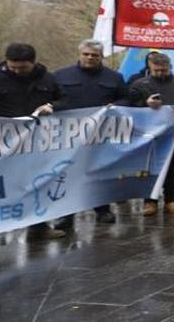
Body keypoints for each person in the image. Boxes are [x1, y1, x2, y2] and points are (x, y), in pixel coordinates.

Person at [0, 43, 67, 249]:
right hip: (0, 144)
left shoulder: (49, 79)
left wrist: (52, 106)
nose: (17, 71)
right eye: (13, 67)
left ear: (34, 63)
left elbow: (65, 100)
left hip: (36, 143)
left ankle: (38, 227)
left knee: (36, 183)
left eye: (22, 68)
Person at [50, 39, 129, 227]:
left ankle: (102, 209)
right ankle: (66, 213)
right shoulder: (60, 75)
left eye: (94, 55)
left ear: (101, 56)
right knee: (67, 172)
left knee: (99, 172)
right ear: (80, 54)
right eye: (86, 54)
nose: (90, 58)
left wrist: (115, 106)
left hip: (100, 134)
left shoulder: (114, 77)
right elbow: (51, 99)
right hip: (68, 134)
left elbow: (126, 99)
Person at [127, 52, 174, 217]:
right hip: (148, 134)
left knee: (172, 167)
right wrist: (145, 103)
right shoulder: (139, 84)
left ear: (170, 68)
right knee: (149, 167)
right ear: (150, 68)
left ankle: (171, 200)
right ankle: (149, 200)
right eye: (156, 71)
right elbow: (129, 105)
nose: (160, 73)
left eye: (164, 71)